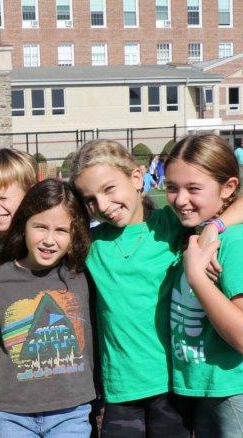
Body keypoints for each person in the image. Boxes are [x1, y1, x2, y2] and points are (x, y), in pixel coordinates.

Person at [66, 140, 242, 436]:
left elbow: (231, 197)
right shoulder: (90, 244)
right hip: (121, 389)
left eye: (109, 189)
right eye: (90, 199)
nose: (103, 206)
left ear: (137, 178)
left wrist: (216, 226)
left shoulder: (172, 223)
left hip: (174, 385)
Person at [0, 179, 96, 438]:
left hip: (71, 414)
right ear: (23, 225)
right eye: (40, 227)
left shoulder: (83, 274)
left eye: (61, 230)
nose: (49, 240)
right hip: (10, 418)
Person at [164, 134, 243, 436]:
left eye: (193, 189)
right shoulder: (188, 232)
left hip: (233, 390)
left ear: (228, 188)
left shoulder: (234, 243)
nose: (180, 200)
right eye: (171, 187)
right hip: (204, 388)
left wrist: (197, 278)